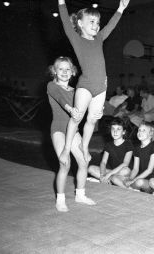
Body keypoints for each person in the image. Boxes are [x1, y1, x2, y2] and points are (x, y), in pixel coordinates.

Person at [58, 0, 130, 166]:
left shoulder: (99, 38)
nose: (96, 25)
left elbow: (111, 26)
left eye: (98, 22)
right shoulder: (76, 39)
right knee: (76, 117)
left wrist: (120, 8)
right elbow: (64, 20)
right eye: (91, 21)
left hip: (101, 87)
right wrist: (61, 2)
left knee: (92, 120)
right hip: (85, 85)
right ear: (80, 24)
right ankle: (66, 148)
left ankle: (84, 146)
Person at [47, 56, 97, 212]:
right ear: (54, 71)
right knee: (65, 163)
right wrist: (70, 109)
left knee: (83, 161)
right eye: (60, 69)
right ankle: (60, 199)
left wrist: (97, 111)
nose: (64, 72)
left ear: (73, 72)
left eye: (67, 69)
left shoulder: (76, 91)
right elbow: (61, 99)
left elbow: (88, 104)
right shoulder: (51, 86)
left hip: (72, 129)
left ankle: (80, 195)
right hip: (58, 129)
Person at [88, 118, 133, 185]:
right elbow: (103, 162)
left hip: (122, 172)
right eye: (113, 129)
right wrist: (102, 175)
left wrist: (108, 174)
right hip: (112, 172)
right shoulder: (108, 145)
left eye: (118, 129)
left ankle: (110, 180)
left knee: (126, 170)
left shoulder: (128, 144)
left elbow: (125, 164)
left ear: (123, 132)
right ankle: (110, 181)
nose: (115, 132)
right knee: (90, 168)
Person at [123, 122, 154, 192]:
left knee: (139, 182)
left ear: (151, 134)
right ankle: (131, 188)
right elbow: (135, 169)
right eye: (139, 130)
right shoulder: (137, 149)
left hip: (151, 181)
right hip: (140, 178)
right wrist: (130, 179)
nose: (140, 132)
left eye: (144, 130)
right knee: (119, 178)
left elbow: (149, 170)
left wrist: (133, 181)